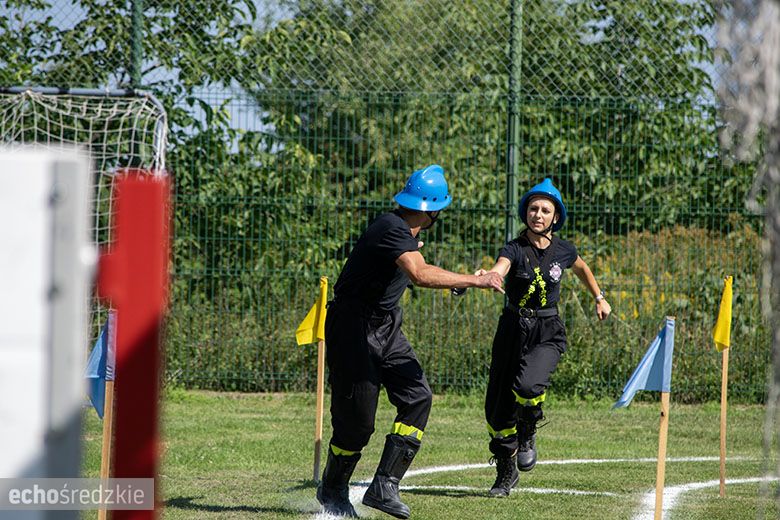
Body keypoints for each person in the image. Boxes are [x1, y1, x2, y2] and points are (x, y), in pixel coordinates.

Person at [316, 164, 505, 518]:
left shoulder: (403, 231)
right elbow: (418, 273)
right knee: (357, 424)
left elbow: (416, 266)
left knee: (418, 396)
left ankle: (385, 485)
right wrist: (477, 280)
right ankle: (332, 488)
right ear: (433, 209)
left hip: (385, 326)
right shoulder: (391, 227)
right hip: (353, 328)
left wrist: (458, 280)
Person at [480, 178, 611, 497]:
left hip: (547, 331)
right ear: (526, 212)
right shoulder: (514, 247)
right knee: (497, 411)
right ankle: (506, 472)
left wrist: (599, 297)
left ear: (556, 217)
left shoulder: (564, 249)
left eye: (545, 210)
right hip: (512, 329)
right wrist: (492, 274)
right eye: (533, 208)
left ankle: (528, 429)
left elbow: (582, 268)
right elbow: (502, 265)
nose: (538, 214)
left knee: (528, 386)